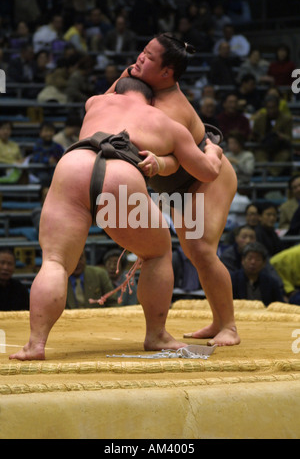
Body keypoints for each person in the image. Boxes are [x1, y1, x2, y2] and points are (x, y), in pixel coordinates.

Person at [9, 76, 223, 361]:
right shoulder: (166, 123)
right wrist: (212, 150)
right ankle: (156, 335)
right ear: (150, 101)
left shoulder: (96, 102)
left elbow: (119, 86)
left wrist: (133, 71)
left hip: (74, 164)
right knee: (157, 253)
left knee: (55, 261)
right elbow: (207, 172)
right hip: (121, 174)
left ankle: (35, 344)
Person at [106, 33, 241, 346]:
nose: (140, 58)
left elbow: (181, 163)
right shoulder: (132, 77)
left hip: (207, 177)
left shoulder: (172, 110)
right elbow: (106, 104)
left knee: (201, 250)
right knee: (194, 251)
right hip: (172, 185)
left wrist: (158, 161)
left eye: (149, 57)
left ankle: (229, 327)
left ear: (166, 73)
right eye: (143, 51)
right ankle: (218, 320)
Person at [230, 242, 285, 306]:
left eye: (258, 259)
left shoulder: (271, 282)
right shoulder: (232, 280)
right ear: (242, 260)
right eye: (249, 258)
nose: (253, 262)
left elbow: (279, 305)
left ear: (264, 263)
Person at [251, 94, 293, 176]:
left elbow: (289, 138)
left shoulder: (287, 119)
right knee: (258, 155)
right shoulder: (259, 119)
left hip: (280, 148)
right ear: (265, 108)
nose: (271, 110)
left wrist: (281, 136)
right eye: (269, 108)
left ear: (278, 106)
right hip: (264, 148)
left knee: (285, 155)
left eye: (273, 107)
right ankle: (267, 172)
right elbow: (254, 134)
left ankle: (271, 173)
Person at [30, 122, 64, 187]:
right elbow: (36, 158)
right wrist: (47, 160)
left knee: (59, 177)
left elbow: (62, 156)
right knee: (44, 178)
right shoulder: (37, 145)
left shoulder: (57, 146)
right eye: (46, 131)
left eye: (50, 131)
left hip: (53, 169)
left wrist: (56, 159)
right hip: (40, 170)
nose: (48, 133)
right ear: (40, 133)